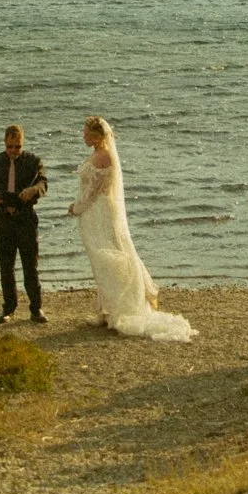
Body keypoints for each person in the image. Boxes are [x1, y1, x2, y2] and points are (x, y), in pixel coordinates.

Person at [67, 116, 193, 342]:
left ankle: (119, 310)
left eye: (86, 132)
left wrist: (77, 208)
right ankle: (106, 309)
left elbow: (94, 191)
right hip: (95, 213)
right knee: (101, 261)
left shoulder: (104, 157)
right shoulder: (99, 154)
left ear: (96, 136)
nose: (83, 135)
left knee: (109, 259)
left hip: (100, 213)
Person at [0, 124, 48, 325]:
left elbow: (44, 182)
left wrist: (34, 190)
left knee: (30, 265)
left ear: (22, 144)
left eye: (17, 147)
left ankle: (36, 308)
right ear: (5, 143)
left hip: (25, 218)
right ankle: (8, 308)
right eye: (10, 147)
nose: (14, 151)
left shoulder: (33, 161)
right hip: (3, 219)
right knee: (6, 266)